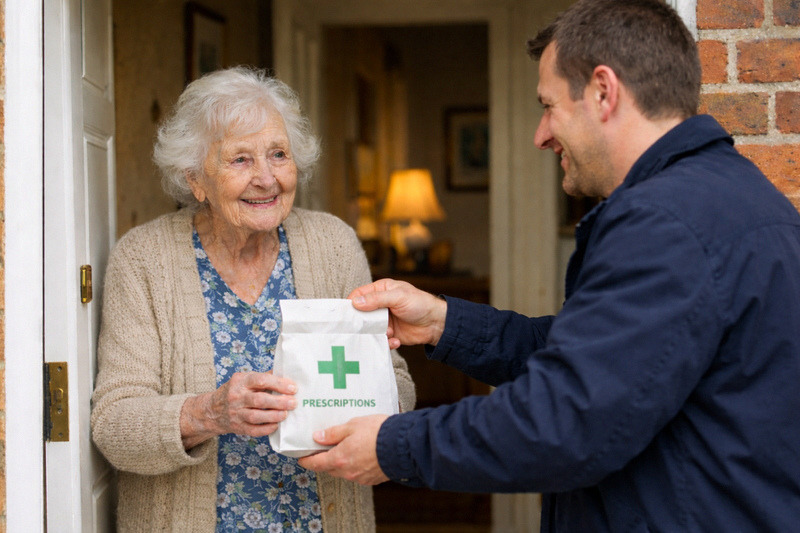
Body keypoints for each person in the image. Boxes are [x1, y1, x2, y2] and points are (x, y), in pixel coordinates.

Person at [298, 0, 800, 530]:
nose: (541, 135)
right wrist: (443, 323)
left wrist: (392, 445)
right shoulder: (735, 194)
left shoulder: (664, 221)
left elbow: (565, 419)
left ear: (603, 92)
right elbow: (604, 361)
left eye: (549, 106)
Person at [91, 66, 416, 533]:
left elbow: (394, 379)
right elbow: (115, 424)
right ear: (195, 179)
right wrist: (209, 412)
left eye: (278, 155)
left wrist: (374, 417)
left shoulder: (334, 244)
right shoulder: (144, 260)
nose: (266, 178)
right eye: (240, 160)